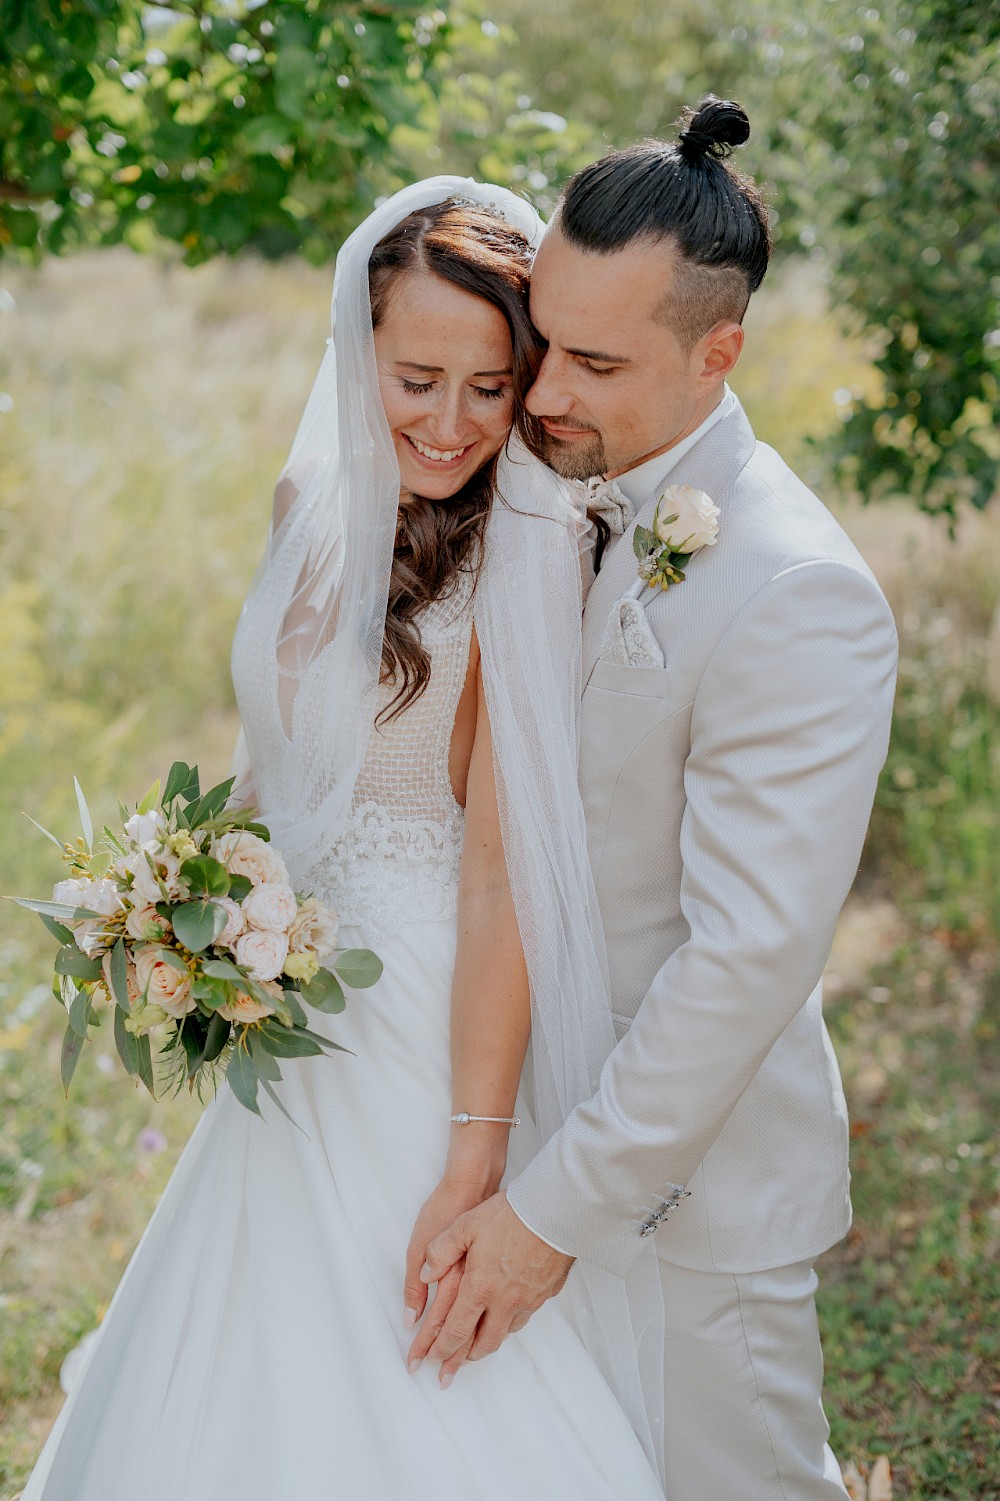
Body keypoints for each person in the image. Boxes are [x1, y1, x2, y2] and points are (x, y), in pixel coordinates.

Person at [19, 179, 666, 1501]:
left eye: (491, 386)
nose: (449, 422)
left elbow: (501, 868)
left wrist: (478, 1151)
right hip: (295, 996)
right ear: (356, 350)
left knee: (412, 1351)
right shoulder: (302, 499)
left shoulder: (532, 550)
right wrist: (189, 900)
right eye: (416, 377)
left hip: (428, 1011)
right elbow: (279, 756)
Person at [408, 102, 899, 1501]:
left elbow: (745, 958)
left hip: (685, 1202)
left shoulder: (797, 591)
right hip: (520, 1133)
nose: (544, 387)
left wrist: (546, 1217)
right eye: (544, 336)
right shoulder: (564, 483)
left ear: (720, 353)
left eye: (598, 360)